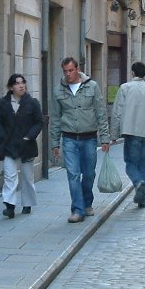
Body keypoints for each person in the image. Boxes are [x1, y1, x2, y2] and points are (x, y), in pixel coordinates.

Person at [49, 57, 110, 223]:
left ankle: (87, 202)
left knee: (89, 174)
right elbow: (55, 118)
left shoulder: (92, 86)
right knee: (73, 174)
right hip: (69, 138)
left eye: (71, 70)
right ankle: (77, 209)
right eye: (65, 71)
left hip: (89, 138)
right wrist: (54, 142)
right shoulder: (58, 91)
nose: (68, 74)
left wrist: (105, 138)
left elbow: (100, 113)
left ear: (77, 69)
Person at [110, 61, 145, 208]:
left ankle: (137, 182)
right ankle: (141, 198)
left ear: (133, 73)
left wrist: (114, 134)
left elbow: (117, 112)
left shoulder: (125, 88)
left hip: (130, 132)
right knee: (143, 165)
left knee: (130, 164)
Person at [0, 73, 43, 218]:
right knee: (10, 176)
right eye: (17, 83)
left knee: (27, 177)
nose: (21, 85)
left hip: (26, 145)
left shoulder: (32, 103)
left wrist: (29, 136)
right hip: (9, 146)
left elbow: (38, 122)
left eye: (23, 82)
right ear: (11, 87)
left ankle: (27, 204)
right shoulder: (3, 103)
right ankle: (9, 206)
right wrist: (2, 137)